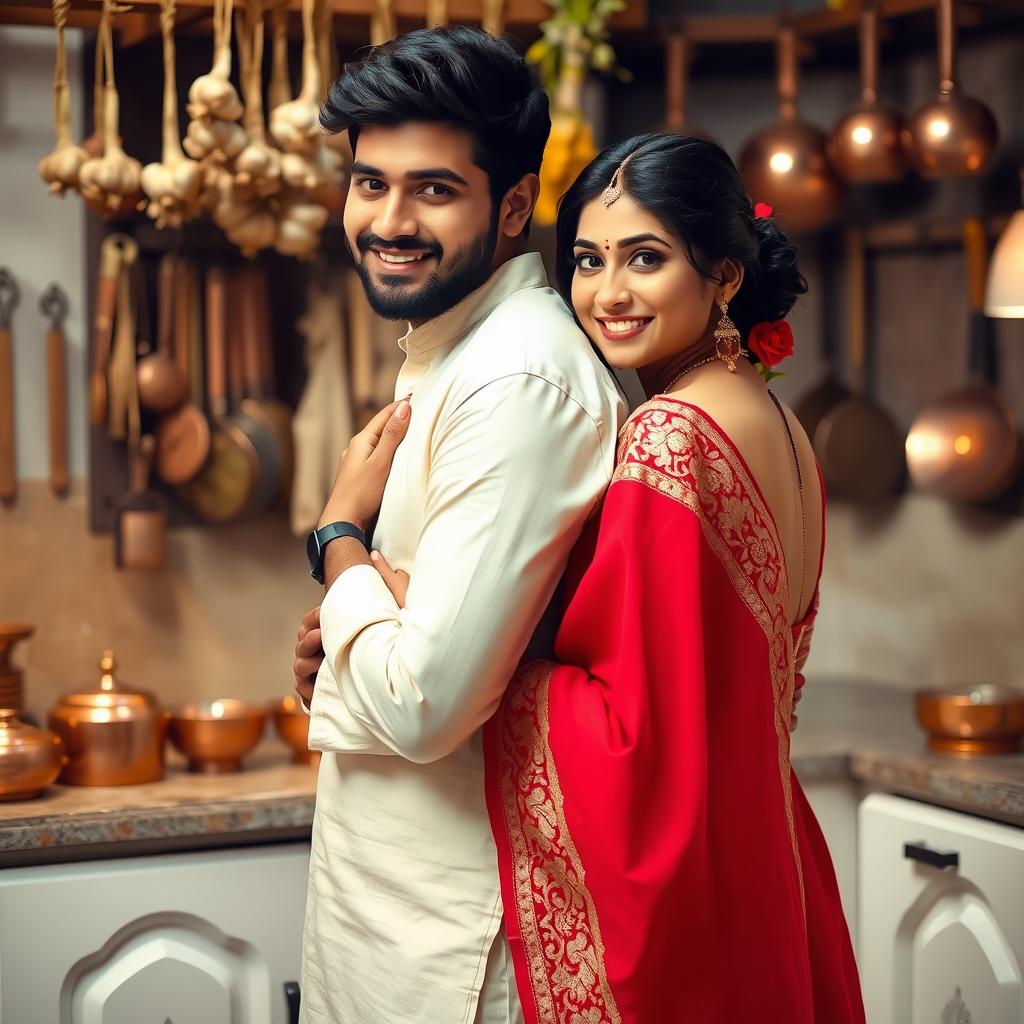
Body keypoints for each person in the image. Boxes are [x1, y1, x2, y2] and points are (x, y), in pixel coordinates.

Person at [362, 133, 866, 1022]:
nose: (607, 292)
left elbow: (627, 729)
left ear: (723, 276)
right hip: (767, 849)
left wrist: (424, 628)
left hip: (693, 881)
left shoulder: (670, 438)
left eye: (646, 258)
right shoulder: (777, 424)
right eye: (588, 260)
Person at [291, 25, 625, 1024]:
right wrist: (355, 636)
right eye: (369, 183)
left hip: (454, 953)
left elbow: (429, 706)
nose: (389, 220)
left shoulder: (515, 378)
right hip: (396, 923)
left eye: (433, 189)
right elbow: (415, 663)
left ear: (513, 204)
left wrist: (338, 540)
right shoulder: (452, 354)